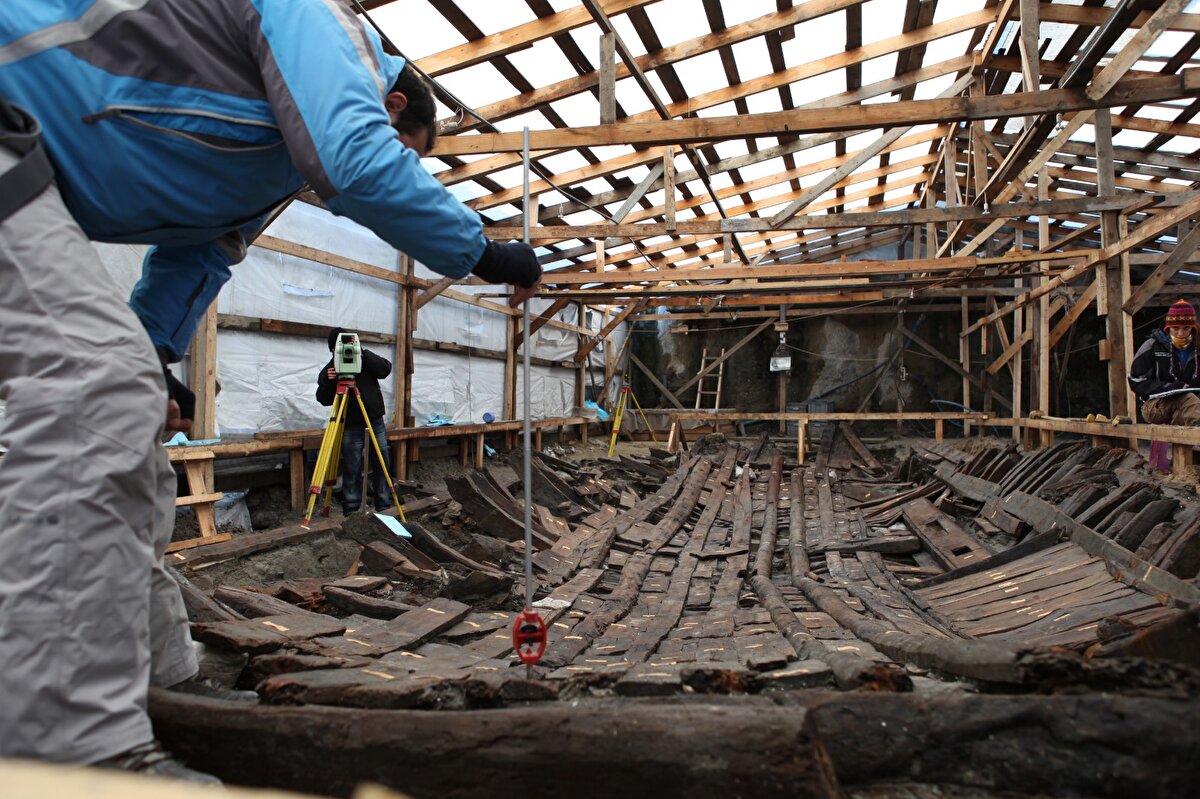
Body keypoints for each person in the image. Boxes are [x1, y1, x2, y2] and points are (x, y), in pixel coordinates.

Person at [0, 0, 541, 782]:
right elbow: (356, 161)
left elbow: (198, 256)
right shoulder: (320, 21)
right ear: (390, 101)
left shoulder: (266, 171)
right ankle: (68, 739)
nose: (403, 176)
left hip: (30, 166)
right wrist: (485, 254)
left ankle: (165, 678)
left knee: (129, 412)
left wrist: (155, 353)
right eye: (410, 155)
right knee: (96, 389)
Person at [317, 328, 395, 515]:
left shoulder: (365, 359)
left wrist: (362, 352)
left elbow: (385, 369)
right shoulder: (331, 368)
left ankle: (383, 504)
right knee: (352, 465)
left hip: (374, 419)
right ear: (332, 350)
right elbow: (323, 398)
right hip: (351, 424)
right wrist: (329, 381)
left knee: (382, 461)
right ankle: (352, 508)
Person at [1129, 299, 1200, 425]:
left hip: (1192, 403)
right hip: (1154, 405)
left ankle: (1182, 443)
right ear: (1168, 328)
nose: (1181, 333)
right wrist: (1169, 387)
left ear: (1193, 328)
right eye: (1176, 328)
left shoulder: (1197, 347)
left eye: (1186, 328)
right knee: (1190, 401)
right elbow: (1136, 380)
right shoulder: (1152, 346)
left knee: (1189, 407)